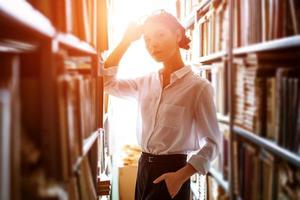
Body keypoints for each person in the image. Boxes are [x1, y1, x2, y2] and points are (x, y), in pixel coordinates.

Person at [103, 10, 221, 200]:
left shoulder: (198, 88)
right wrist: (125, 41)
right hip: (143, 169)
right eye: (147, 39)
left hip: (172, 172)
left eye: (160, 35)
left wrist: (180, 176)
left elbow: (214, 143)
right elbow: (106, 83)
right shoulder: (146, 81)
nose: (153, 44)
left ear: (177, 35)